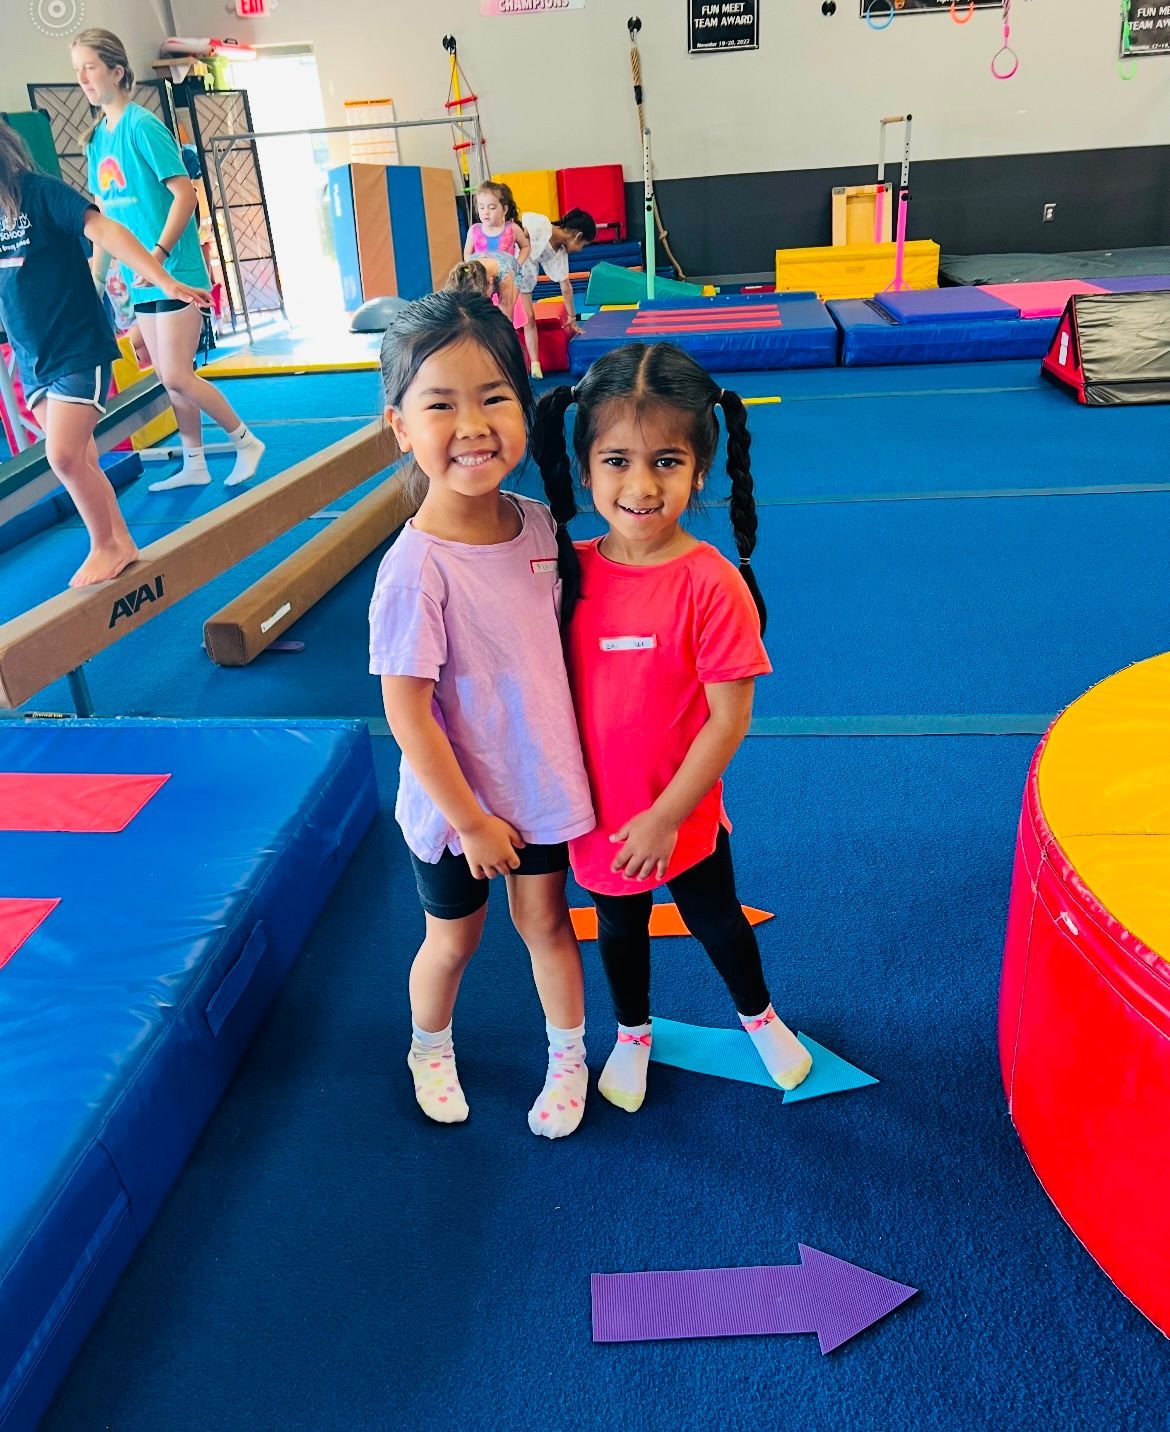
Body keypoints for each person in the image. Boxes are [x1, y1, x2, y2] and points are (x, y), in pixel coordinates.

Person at [531, 342, 813, 1112]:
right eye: (616, 460)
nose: (640, 485)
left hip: (679, 813)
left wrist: (665, 815)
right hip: (595, 814)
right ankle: (631, 1032)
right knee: (619, 930)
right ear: (585, 468)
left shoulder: (710, 583)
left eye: (665, 461)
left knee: (716, 918)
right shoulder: (566, 571)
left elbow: (729, 719)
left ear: (699, 469)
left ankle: (759, 1016)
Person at [369, 290, 596, 1138]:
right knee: (453, 941)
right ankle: (429, 1045)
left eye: (494, 397)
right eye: (441, 404)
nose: (472, 424)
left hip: (535, 784)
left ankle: (568, 1056)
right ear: (401, 426)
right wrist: (470, 822)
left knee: (546, 924)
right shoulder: (414, 570)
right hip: (457, 805)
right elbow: (410, 716)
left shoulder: (541, 527)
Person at [0, 120, 209, 587]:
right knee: (84, 458)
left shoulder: (38, 193)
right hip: (33, 360)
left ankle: (107, 544)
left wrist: (164, 279)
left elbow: (106, 231)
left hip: (75, 346)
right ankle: (120, 540)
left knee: (65, 456)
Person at [71, 27, 264, 494]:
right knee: (168, 379)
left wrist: (156, 255)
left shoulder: (143, 127)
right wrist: (95, 283)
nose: (82, 79)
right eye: (76, 71)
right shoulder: (97, 140)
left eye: (90, 67)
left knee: (178, 374)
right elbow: (104, 225)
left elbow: (185, 194)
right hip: (138, 280)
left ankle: (245, 441)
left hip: (174, 270)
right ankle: (194, 460)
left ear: (117, 72)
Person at [463, 181, 540, 377]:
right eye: (481, 208)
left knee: (511, 319)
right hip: (484, 282)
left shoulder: (511, 228)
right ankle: (485, 360)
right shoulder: (475, 230)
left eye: (491, 207)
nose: (486, 212)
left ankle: (516, 361)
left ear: (504, 208)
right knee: (483, 320)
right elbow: (467, 254)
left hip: (507, 279)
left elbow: (525, 246)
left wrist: (517, 263)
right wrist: (476, 272)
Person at [515, 208, 596, 370]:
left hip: (526, 276)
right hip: (512, 262)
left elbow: (566, 286)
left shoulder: (559, 252)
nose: (580, 250)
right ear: (577, 236)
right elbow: (518, 233)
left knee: (529, 316)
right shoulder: (542, 225)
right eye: (583, 245)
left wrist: (572, 317)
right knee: (516, 317)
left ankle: (534, 363)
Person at [445, 256, 519, 327]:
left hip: (511, 269)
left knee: (506, 311)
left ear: (491, 282)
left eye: (484, 296)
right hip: (485, 266)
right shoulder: (466, 272)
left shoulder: (505, 275)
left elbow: (506, 318)